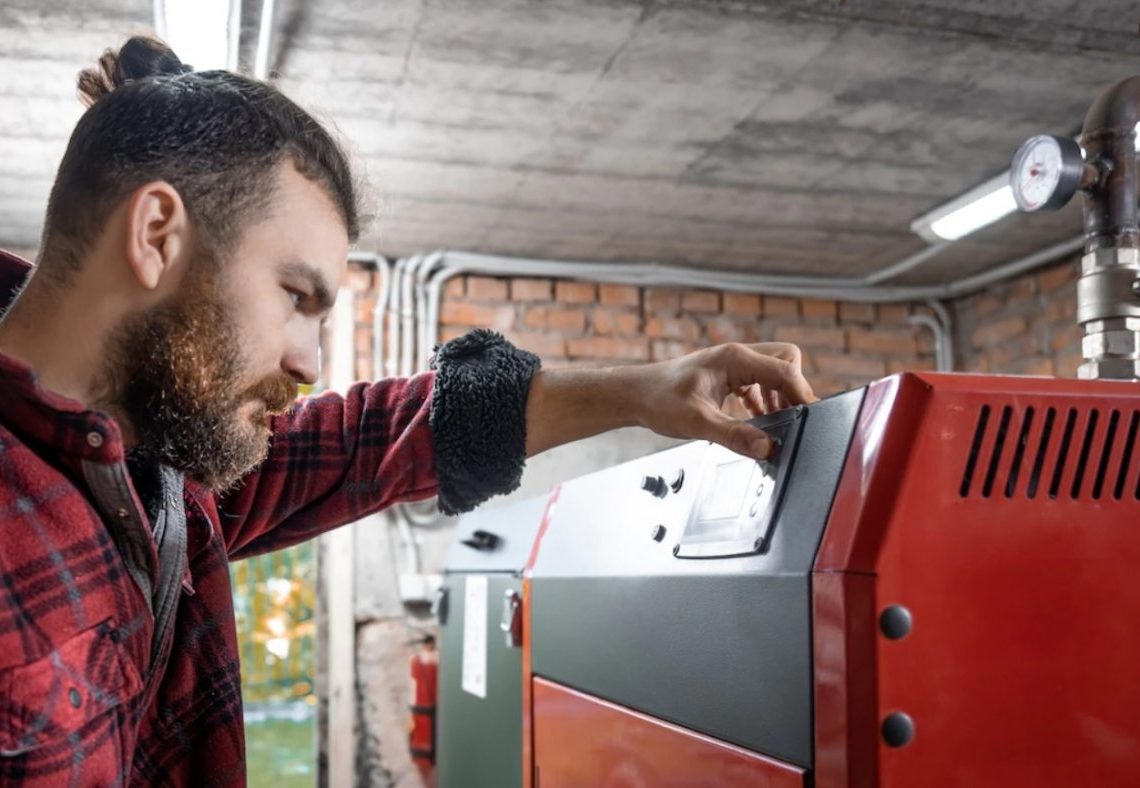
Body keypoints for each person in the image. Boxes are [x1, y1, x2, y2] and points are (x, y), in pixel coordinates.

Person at [0, 36, 815, 786]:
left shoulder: (155, 469)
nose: (309, 363)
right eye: (295, 296)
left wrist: (640, 391)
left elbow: (362, 441)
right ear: (156, 235)